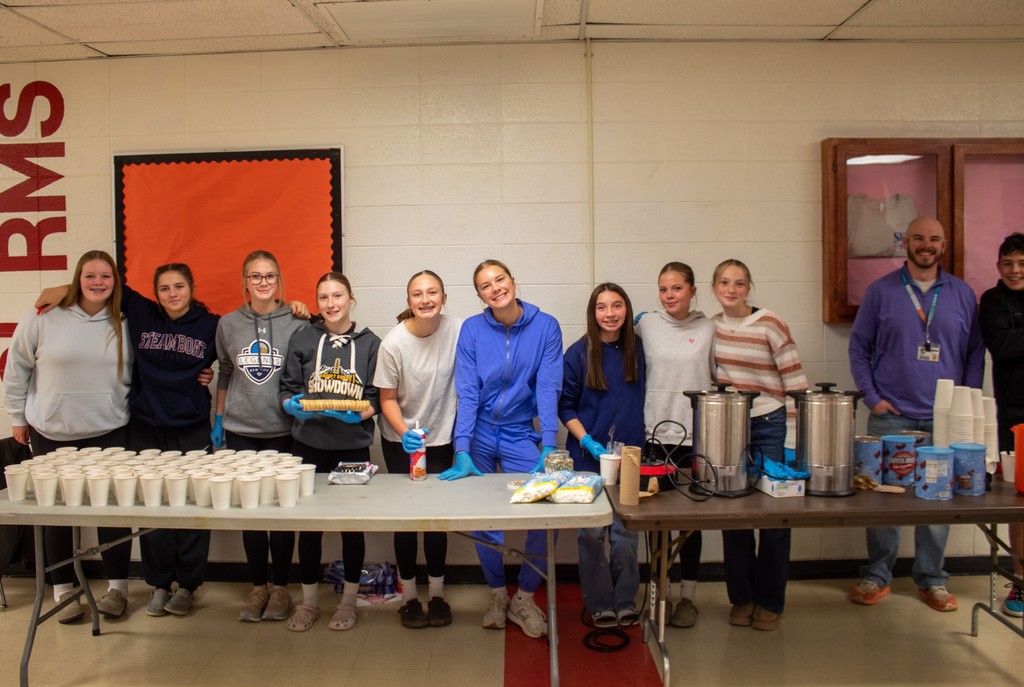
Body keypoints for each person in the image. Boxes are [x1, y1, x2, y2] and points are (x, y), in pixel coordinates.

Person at [848, 216, 984, 612]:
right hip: (892, 415)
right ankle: (876, 575)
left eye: (934, 239)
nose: (926, 245)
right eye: (919, 238)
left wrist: (967, 399)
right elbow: (859, 348)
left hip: (945, 419)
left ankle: (932, 579)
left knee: (937, 502)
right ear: (905, 242)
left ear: (943, 245)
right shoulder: (881, 292)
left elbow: (975, 352)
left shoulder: (961, 292)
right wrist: (873, 398)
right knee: (882, 503)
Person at [3, 250, 133, 623]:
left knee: (112, 511)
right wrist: (17, 416)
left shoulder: (124, 319)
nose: (97, 283)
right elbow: (17, 367)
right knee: (57, 514)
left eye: (105, 276)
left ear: (115, 281)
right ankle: (63, 590)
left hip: (110, 429)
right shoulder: (44, 316)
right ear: (78, 278)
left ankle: (117, 589)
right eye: (89, 276)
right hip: (52, 431)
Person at [438, 259, 563, 640]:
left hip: (517, 432)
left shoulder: (546, 327)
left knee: (549, 506)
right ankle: (496, 595)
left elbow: (547, 388)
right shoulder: (473, 330)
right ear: (479, 295)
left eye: (500, 279)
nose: (495, 288)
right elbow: (469, 391)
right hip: (478, 433)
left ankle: (524, 597)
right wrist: (462, 447)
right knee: (483, 515)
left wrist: (549, 444)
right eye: (485, 285)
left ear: (512, 281)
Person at [280, 271, 380, 632]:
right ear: (317, 302)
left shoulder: (371, 344)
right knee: (309, 528)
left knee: (351, 528)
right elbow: (287, 386)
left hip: (352, 448)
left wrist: (362, 414)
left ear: (351, 298)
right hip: (308, 444)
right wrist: (290, 404)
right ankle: (308, 602)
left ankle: (348, 601)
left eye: (337, 296)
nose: (331, 304)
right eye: (323, 298)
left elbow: (376, 397)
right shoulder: (303, 337)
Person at [711, 258, 808, 631]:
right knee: (732, 514)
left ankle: (770, 601)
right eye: (724, 283)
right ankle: (742, 598)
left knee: (773, 517)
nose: (731, 290)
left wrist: (792, 444)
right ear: (714, 288)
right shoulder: (713, 326)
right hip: (730, 425)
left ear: (749, 288)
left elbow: (796, 383)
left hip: (771, 423)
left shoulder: (770, 323)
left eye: (738, 283)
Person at [214, 249, 309, 623]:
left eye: (270, 276)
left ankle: (282, 588)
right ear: (245, 283)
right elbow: (224, 372)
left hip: (284, 431)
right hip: (240, 430)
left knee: (281, 515)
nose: (263, 283)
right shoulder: (228, 324)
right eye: (255, 277)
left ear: (279, 280)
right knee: (250, 514)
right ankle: (258, 587)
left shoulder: (298, 320)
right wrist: (218, 418)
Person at [125, 264, 219, 618]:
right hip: (147, 425)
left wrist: (301, 305)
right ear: (155, 293)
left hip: (191, 424)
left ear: (192, 288)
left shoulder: (211, 325)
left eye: (179, 286)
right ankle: (160, 583)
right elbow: (97, 282)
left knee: (193, 506)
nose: (172, 294)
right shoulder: (142, 312)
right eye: (164, 288)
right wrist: (56, 291)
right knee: (154, 508)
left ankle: (188, 586)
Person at [373, 271, 460, 629]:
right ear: (408, 301)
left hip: (442, 437)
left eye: (432, 292)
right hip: (401, 440)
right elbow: (387, 398)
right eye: (417, 294)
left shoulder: (458, 330)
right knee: (407, 521)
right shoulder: (393, 343)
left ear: (444, 296)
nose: (425, 300)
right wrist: (404, 432)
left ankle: (437, 595)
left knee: (436, 520)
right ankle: (409, 598)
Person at [634, 262, 715, 628]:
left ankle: (688, 596)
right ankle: (658, 593)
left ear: (693, 290)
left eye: (677, 288)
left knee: (690, 523)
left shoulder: (709, 327)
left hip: (695, 437)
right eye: (664, 289)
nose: (670, 296)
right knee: (657, 523)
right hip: (654, 435)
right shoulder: (646, 325)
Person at [559, 283, 644, 628]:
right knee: (591, 536)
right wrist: (588, 442)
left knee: (625, 535)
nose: (610, 314)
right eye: (602, 307)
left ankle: (624, 600)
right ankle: (598, 602)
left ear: (627, 310)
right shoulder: (578, 354)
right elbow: (564, 406)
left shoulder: (639, 349)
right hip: (586, 458)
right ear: (592, 313)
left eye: (617, 305)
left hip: (631, 457)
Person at [978, 231, 1024, 618]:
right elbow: (1002, 346)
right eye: (1008, 263)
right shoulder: (993, 301)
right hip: (1016, 414)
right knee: (1019, 502)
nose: (1014, 270)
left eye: (1022, 264)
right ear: (998, 266)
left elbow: (1015, 342)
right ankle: (1021, 582)